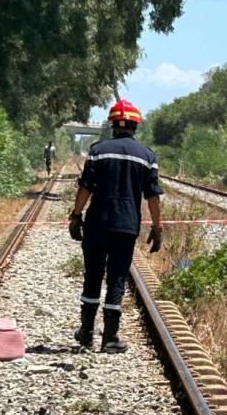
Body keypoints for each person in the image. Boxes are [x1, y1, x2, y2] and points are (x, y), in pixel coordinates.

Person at [67, 99, 164, 353]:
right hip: (126, 226)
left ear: (112, 124)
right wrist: (157, 227)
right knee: (117, 277)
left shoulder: (98, 151)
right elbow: (152, 196)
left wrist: (76, 215)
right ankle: (110, 337)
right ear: (136, 125)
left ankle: (86, 332)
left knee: (93, 275)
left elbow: (85, 186)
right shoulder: (147, 156)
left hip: (97, 223)